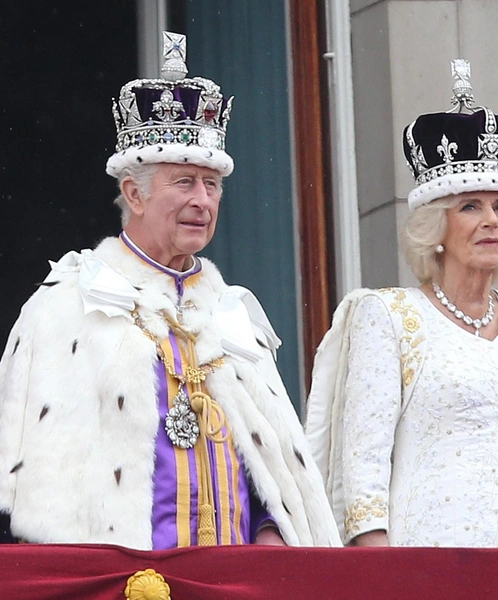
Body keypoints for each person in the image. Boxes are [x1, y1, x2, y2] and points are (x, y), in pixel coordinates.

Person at [0, 32, 341, 550]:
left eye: (212, 184)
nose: (202, 200)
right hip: (125, 575)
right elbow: (24, 473)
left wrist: (274, 533)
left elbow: (271, 464)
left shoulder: (232, 313)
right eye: (184, 182)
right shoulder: (69, 301)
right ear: (134, 193)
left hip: (234, 574)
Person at [305, 60, 498, 548]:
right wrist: (382, 574)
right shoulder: (389, 315)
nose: (492, 220)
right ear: (435, 226)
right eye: (471, 207)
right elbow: (363, 473)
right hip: (432, 567)